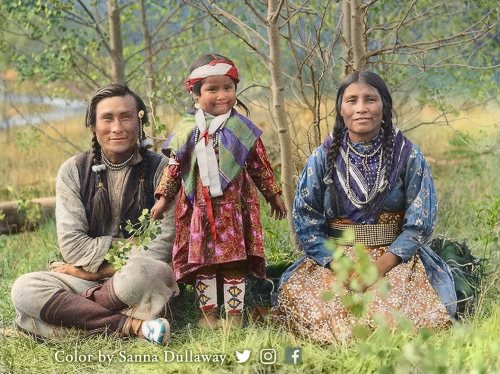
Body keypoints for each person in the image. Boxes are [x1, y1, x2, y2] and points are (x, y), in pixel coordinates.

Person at [273, 71, 457, 344]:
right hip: (337, 260)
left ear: (385, 105)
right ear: (340, 108)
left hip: (395, 259)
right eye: (352, 100)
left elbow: (421, 221)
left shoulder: (408, 155)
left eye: (370, 99)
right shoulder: (323, 156)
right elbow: (306, 220)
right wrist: (341, 267)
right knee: (313, 306)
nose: (361, 108)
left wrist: (380, 266)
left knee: (397, 315)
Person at [11, 84, 178, 345]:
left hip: (132, 282)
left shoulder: (164, 171)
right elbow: (73, 247)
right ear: (93, 124)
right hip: (82, 283)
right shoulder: (73, 171)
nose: (117, 127)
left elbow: (159, 249)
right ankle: (134, 326)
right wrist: (125, 249)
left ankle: (57, 321)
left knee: (149, 271)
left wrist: (91, 273)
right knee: (25, 288)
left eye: (126, 116)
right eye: (107, 118)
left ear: (140, 120)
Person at [151, 53, 287, 327]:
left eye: (228, 87)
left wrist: (273, 194)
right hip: (199, 210)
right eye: (212, 89)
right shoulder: (187, 129)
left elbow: (260, 165)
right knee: (205, 264)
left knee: (234, 262)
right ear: (196, 93)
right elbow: (175, 166)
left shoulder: (241, 129)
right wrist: (164, 198)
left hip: (234, 210)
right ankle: (208, 314)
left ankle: (234, 316)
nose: (222, 95)